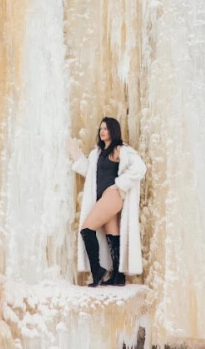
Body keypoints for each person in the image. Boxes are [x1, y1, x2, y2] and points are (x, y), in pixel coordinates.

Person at [68, 117, 146, 287]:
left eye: (107, 128)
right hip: (104, 198)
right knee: (113, 236)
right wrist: (76, 155)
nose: (102, 131)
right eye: (101, 128)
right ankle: (118, 277)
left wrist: (119, 185)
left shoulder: (120, 150)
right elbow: (90, 173)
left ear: (114, 131)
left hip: (112, 196)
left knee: (86, 230)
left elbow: (140, 168)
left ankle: (98, 271)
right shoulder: (97, 153)